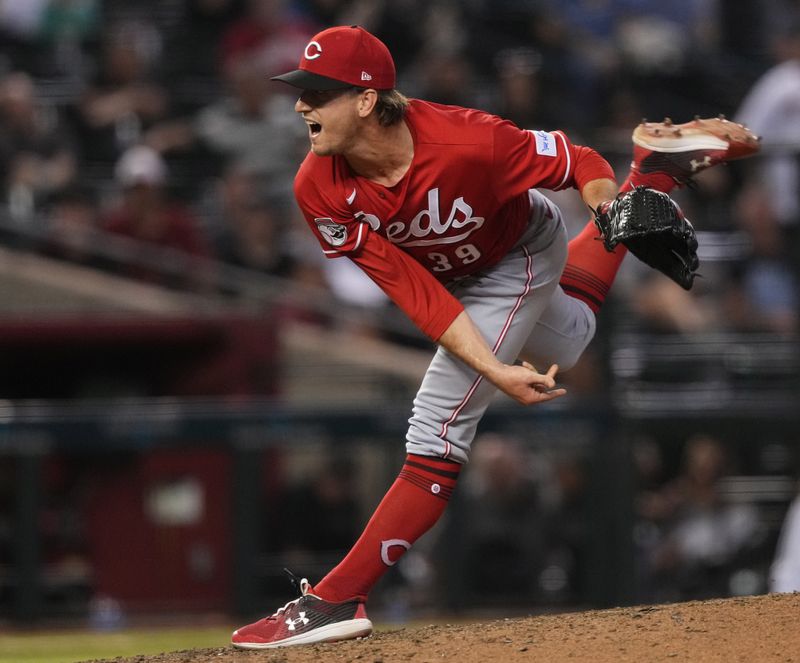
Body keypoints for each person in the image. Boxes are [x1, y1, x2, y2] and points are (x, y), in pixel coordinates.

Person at [231, 25, 758, 649]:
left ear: (367, 100)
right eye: (302, 92)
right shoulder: (317, 187)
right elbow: (415, 293)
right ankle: (654, 171)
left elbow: (578, 161)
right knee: (570, 340)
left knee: (436, 425)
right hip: (458, 280)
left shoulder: (468, 139)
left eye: (318, 94)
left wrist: (607, 204)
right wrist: (496, 366)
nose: (301, 106)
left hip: (521, 249)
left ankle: (335, 599)